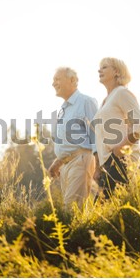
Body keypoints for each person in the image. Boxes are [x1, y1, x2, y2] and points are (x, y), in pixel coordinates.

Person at [93, 57, 140, 199]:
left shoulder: (122, 93)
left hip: (121, 160)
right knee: (107, 213)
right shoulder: (105, 101)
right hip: (107, 164)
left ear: (116, 71)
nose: (99, 70)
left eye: (104, 67)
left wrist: (120, 149)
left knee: (102, 211)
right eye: (100, 67)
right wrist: (98, 167)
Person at [48, 67, 98, 210]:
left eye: (57, 79)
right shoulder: (64, 108)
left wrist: (99, 166)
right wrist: (58, 161)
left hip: (81, 161)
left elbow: (96, 135)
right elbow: (68, 140)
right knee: (75, 212)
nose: (53, 84)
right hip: (66, 166)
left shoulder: (86, 102)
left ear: (72, 80)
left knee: (70, 210)